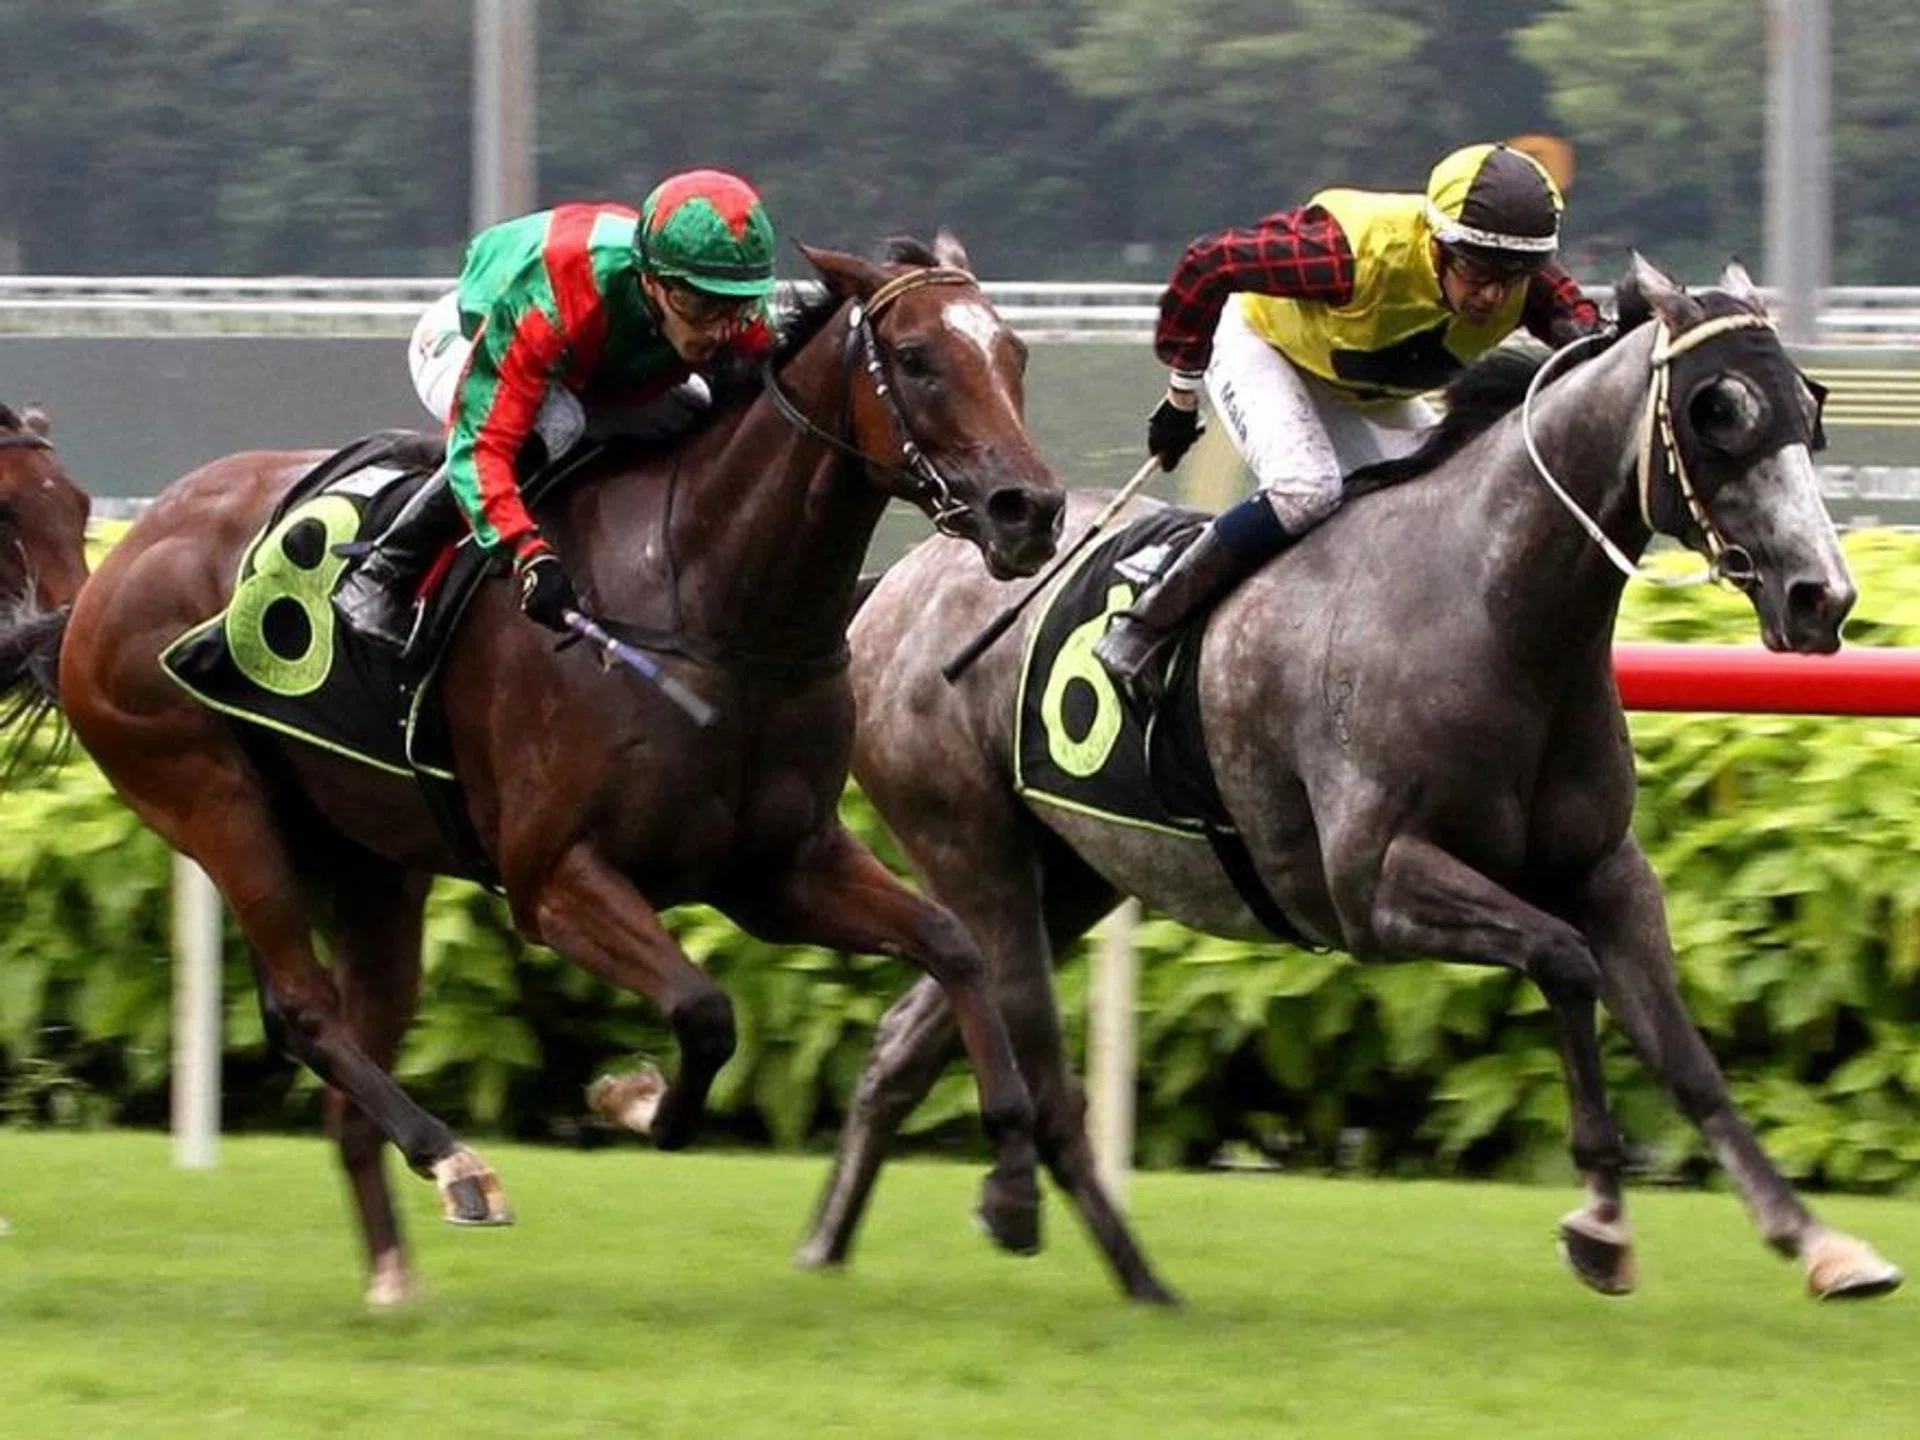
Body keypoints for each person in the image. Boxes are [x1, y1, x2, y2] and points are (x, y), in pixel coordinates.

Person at [1095, 141, 1606, 704]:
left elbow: (1594, 346)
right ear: (1437, 246)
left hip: (1362, 386)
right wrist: (1180, 399)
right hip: (1262, 346)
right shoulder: (1345, 255)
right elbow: (1207, 264)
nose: (1492, 295)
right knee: (1306, 490)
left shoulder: (1523, 280)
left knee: (1441, 508)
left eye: (1514, 277)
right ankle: (1147, 621)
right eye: (1477, 271)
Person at [333, 168, 780, 649]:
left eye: (735, 307)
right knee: (557, 422)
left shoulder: (740, 316)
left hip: (589, 369)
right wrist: (528, 553)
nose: (719, 328)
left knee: (696, 409)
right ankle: (383, 571)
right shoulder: (559, 292)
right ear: (651, 280)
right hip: (464, 339)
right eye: (699, 306)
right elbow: (484, 446)